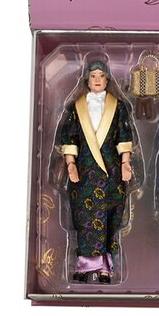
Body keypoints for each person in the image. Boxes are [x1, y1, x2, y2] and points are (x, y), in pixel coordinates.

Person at [60, 60, 133, 284]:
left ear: (108, 80)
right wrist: (71, 164)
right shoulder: (77, 107)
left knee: (110, 217)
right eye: (93, 76)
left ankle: (105, 267)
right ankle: (84, 264)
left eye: (101, 76)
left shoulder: (117, 106)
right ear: (87, 80)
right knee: (85, 218)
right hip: (84, 172)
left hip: (111, 171)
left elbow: (124, 136)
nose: (98, 80)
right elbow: (69, 138)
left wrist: (125, 162)